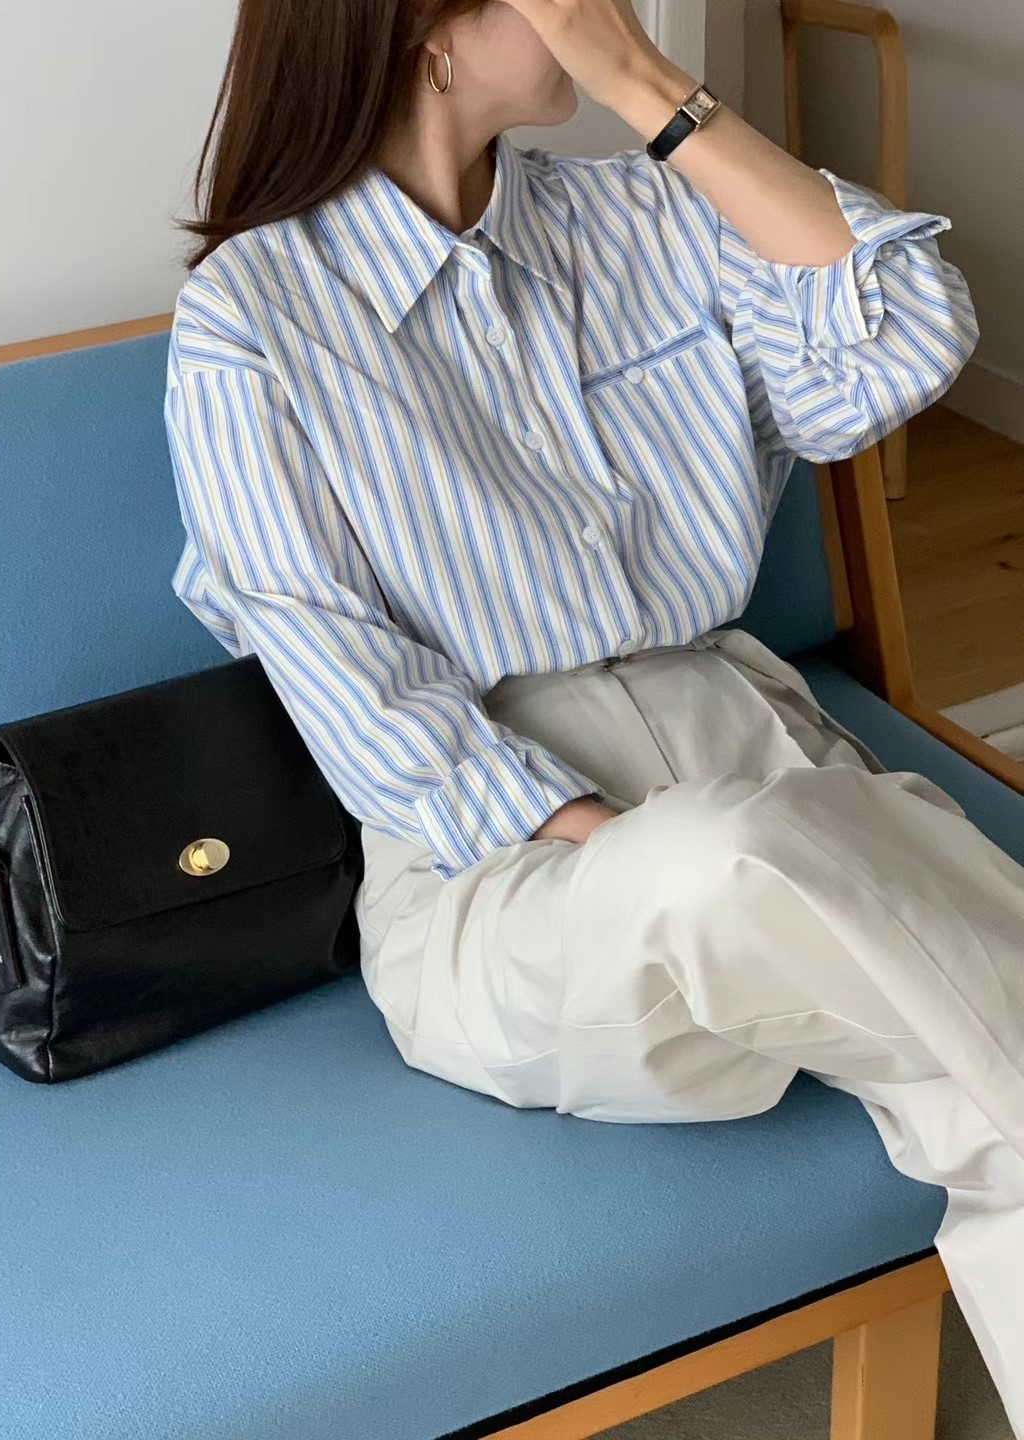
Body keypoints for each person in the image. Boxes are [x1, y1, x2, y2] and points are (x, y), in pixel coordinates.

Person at [163, 0, 1024, 1428]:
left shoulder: (648, 215)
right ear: (427, 27)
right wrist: (623, 842)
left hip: (761, 749)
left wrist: (649, 87)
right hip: (511, 887)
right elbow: (349, 688)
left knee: (964, 1070)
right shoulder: (255, 319)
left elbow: (906, 333)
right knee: (730, 862)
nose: (607, 10)